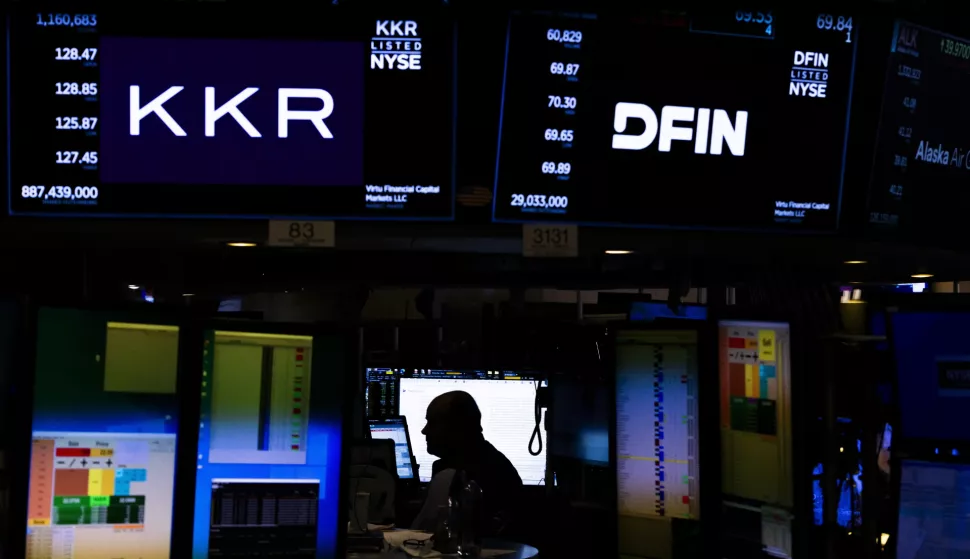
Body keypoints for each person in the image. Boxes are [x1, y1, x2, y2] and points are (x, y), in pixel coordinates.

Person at [411, 391, 522, 533]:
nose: (424, 431)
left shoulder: (479, 475)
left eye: (433, 423)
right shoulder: (493, 462)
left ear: (458, 427)